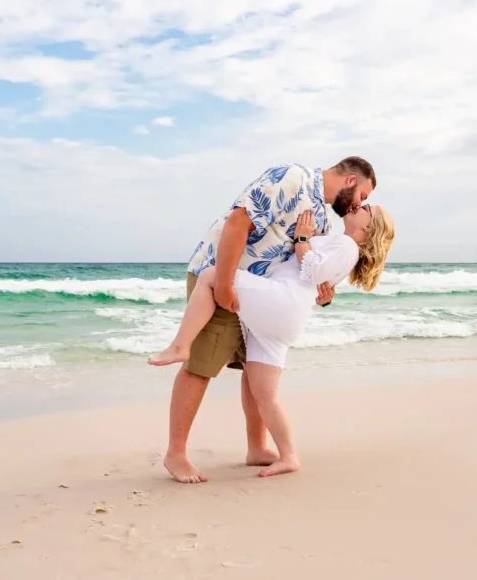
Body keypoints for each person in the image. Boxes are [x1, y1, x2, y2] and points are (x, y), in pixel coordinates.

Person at [150, 158, 378, 484]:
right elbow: (237, 223)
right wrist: (225, 283)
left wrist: (325, 293)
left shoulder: (324, 222)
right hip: (222, 275)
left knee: (251, 369)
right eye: (363, 195)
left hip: (257, 294)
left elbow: (308, 270)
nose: (360, 203)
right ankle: (176, 454)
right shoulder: (292, 177)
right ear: (351, 180)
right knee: (201, 365)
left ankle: (256, 448)